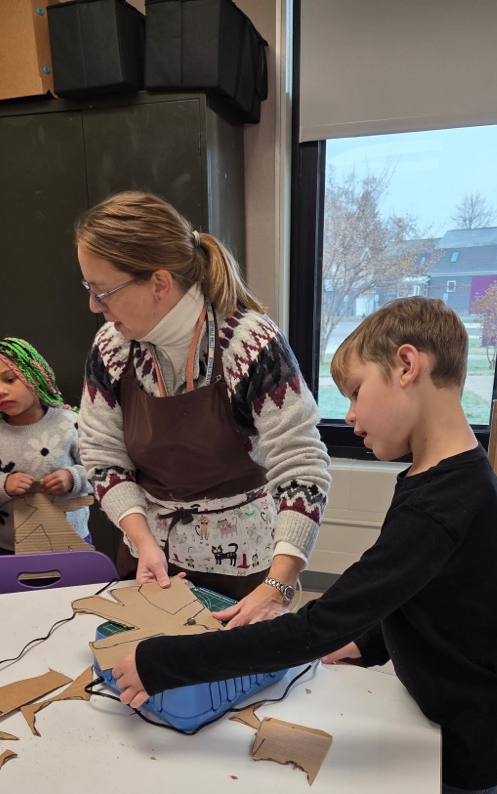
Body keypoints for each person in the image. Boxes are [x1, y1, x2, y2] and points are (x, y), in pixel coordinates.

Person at [113, 297, 497, 794]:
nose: (348, 415)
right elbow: (438, 594)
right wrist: (370, 641)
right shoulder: (450, 473)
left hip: (476, 748)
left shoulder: (442, 500)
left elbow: (312, 625)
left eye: (354, 392)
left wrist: (165, 661)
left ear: (407, 365)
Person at [75, 190, 330, 627]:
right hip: (151, 562)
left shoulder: (250, 345)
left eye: (104, 291)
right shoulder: (111, 347)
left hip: (245, 570)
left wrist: (279, 584)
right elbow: (102, 458)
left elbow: (302, 468)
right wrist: (142, 540)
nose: (94, 306)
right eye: (90, 289)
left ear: (159, 283)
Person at [0, 337, 93, 555]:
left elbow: (101, 473)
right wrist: (2, 486)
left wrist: (73, 478)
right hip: (8, 549)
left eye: (10, 379)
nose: (1, 391)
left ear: (35, 376)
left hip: (72, 544)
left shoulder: (69, 422)